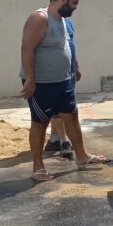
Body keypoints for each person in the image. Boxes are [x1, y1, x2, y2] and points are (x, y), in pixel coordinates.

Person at [20, 0, 105, 181]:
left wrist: (74, 66)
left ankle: (82, 156)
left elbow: (66, 45)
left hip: (63, 80)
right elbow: (26, 50)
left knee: (72, 116)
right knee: (40, 122)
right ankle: (38, 167)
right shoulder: (40, 19)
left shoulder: (63, 20)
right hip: (41, 83)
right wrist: (31, 79)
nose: (76, 7)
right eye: (74, 2)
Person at [44, 17, 80, 158]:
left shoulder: (68, 22)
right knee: (59, 108)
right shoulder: (45, 22)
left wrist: (76, 66)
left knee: (64, 107)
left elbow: (71, 45)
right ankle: (64, 141)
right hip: (55, 73)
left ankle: (54, 139)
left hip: (69, 71)